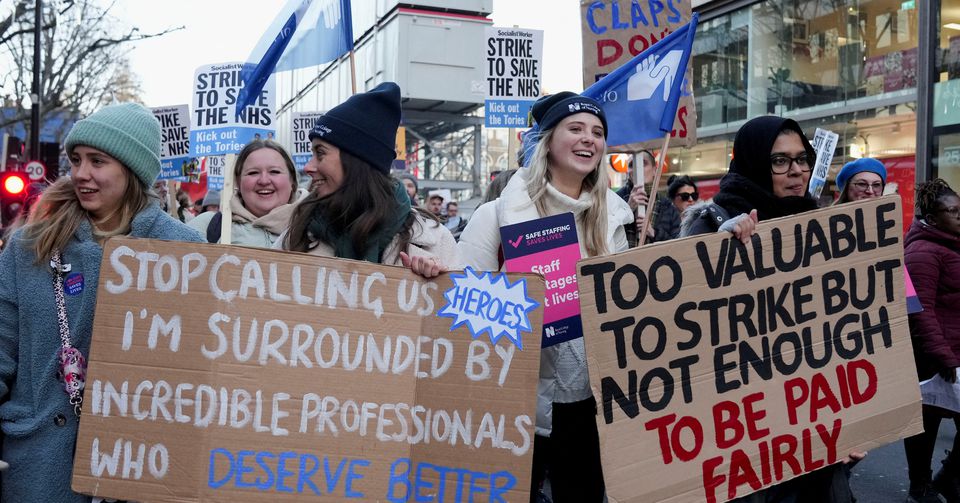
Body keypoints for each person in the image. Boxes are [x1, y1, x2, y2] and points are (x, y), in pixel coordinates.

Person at [0, 102, 203, 501]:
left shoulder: (183, 249)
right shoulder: (29, 246)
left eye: (98, 161)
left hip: (141, 469)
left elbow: (202, 366)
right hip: (39, 468)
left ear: (132, 170)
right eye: (76, 160)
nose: (81, 174)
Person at [455, 91, 633, 502]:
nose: (589, 139)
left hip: (591, 408)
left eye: (598, 132)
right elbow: (460, 311)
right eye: (576, 129)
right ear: (549, 140)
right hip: (514, 406)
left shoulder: (615, 220)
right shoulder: (496, 217)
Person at [682, 115, 865, 502]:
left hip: (812, 419)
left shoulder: (819, 223)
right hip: (741, 433)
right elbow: (685, 325)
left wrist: (854, 420)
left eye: (802, 158)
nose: (796, 171)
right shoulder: (713, 225)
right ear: (752, 162)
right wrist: (719, 251)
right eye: (780, 161)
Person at [280, 82, 457, 271]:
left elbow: (460, 297)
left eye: (320, 153)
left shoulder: (436, 241)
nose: (308, 167)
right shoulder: (297, 232)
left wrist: (429, 288)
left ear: (356, 161)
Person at [903, 179, 960, 503]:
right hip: (933, 356)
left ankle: (948, 476)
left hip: (955, 350)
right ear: (932, 216)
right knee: (925, 426)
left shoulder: (953, 244)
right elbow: (918, 310)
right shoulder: (921, 251)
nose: (959, 215)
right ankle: (920, 486)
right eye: (952, 211)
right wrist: (943, 355)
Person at [189, 139, 298, 247]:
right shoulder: (205, 226)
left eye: (274, 171)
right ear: (238, 181)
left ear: (292, 180)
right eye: (253, 173)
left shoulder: (312, 231)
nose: (264, 181)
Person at [616, 150, 680, 246]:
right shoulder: (615, 199)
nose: (637, 168)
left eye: (643, 163)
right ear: (627, 172)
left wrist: (653, 233)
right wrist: (627, 210)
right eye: (631, 165)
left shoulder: (667, 206)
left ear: (655, 170)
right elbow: (603, 234)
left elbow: (678, 245)